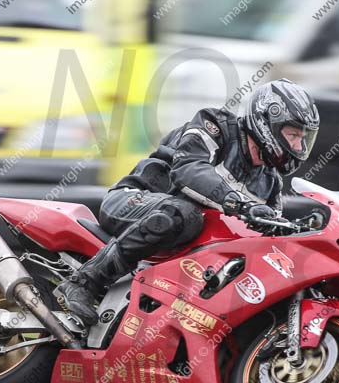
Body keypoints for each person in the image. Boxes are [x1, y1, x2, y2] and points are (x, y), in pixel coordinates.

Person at [54, 78, 320, 325]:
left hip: (185, 242)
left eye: (302, 139)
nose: (298, 147)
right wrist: (241, 204)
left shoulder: (270, 183)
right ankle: (83, 283)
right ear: (267, 121)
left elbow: (266, 238)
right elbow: (188, 170)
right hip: (133, 201)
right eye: (292, 135)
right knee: (183, 213)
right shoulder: (215, 126)